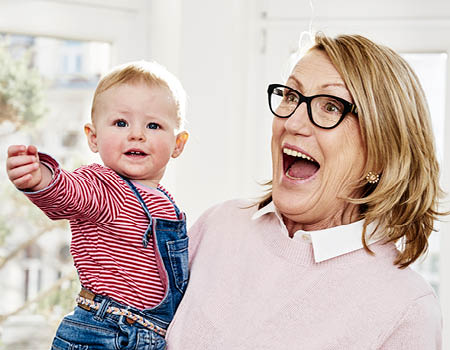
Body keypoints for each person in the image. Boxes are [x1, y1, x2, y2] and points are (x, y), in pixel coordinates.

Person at [165, 33, 446, 349]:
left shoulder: (406, 309)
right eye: (290, 96)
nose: (293, 122)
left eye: (330, 106)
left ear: (382, 151)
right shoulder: (220, 224)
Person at [6, 60, 189, 350]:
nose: (136, 134)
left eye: (153, 125)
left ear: (177, 144)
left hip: (147, 334)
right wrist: (39, 178)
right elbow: (68, 191)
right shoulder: (104, 186)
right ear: (93, 137)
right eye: (121, 123)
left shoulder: (166, 203)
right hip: (104, 333)